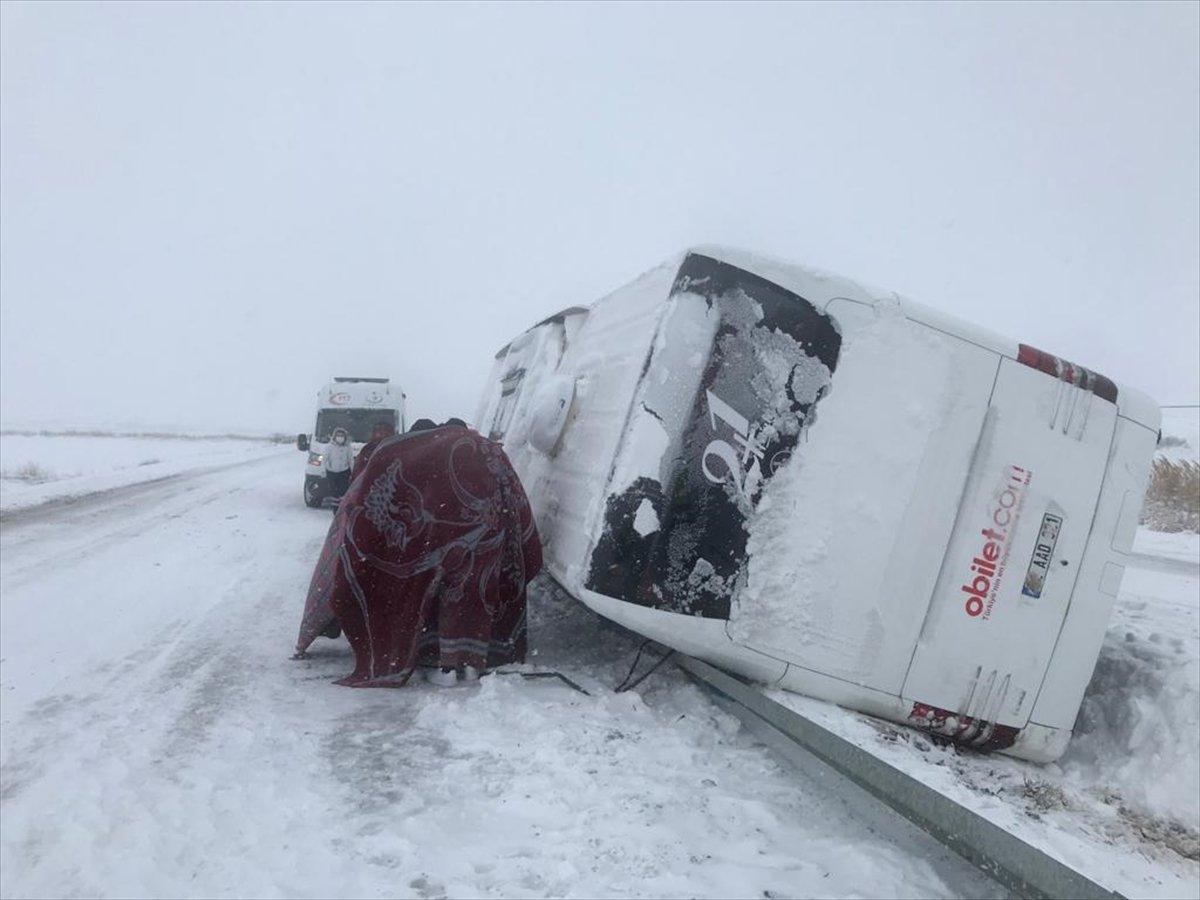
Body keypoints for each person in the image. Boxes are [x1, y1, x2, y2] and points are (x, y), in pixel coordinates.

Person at [294, 419, 542, 687]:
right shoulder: (484, 451)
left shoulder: (395, 453)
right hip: (484, 528)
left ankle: (437, 654)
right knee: (469, 586)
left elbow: (362, 518)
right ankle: (470, 654)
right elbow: (516, 505)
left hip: (429, 532)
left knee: (422, 587)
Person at [323, 427, 353, 501]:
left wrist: (352, 470)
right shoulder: (329, 446)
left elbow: (350, 459)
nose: (340, 437)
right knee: (333, 491)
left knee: (343, 489)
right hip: (331, 472)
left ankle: (341, 504)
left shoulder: (348, 447)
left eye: (342, 436)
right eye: (338, 435)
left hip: (344, 472)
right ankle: (334, 504)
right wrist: (328, 467)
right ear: (335, 436)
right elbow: (325, 459)